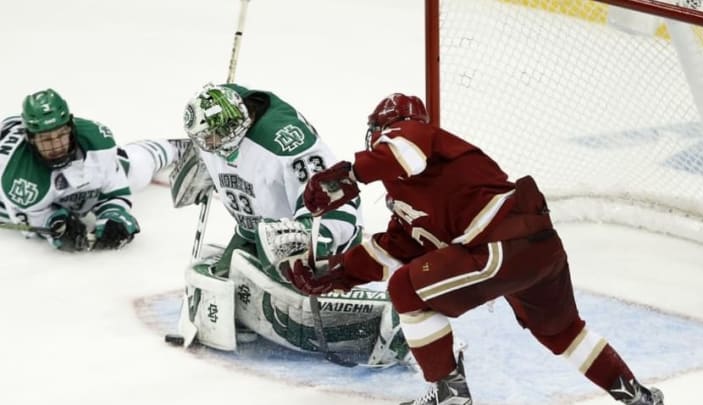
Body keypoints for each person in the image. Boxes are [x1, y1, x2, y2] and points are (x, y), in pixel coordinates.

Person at [289, 93, 665, 404]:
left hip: (501, 241)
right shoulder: (408, 195)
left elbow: (406, 154)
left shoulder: (412, 134)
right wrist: (336, 273)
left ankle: (449, 395)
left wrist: (349, 176)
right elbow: (393, 248)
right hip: (537, 248)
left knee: (406, 289)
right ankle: (636, 396)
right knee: (563, 332)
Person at [170, 83, 410, 366]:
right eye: (204, 139)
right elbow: (216, 120)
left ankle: (397, 317)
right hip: (254, 232)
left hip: (306, 235)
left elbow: (336, 197)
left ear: (237, 123)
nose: (210, 144)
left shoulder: (285, 141)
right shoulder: (220, 127)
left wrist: (317, 240)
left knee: (297, 305)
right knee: (226, 278)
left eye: (215, 136)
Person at [0, 88, 182, 251]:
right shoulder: (16, 176)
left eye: (61, 135)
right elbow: (32, 222)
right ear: (31, 139)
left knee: (135, 168)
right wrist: (55, 224)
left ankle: (175, 148)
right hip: (9, 201)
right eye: (46, 140)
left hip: (72, 177)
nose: (56, 146)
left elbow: (114, 190)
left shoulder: (97, 142)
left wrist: (114, 215)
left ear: (71, 127)